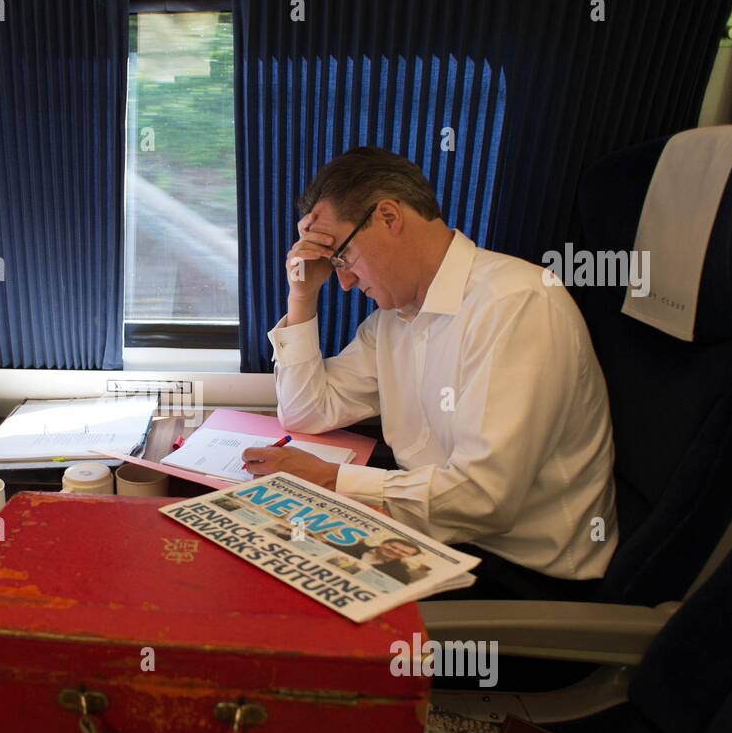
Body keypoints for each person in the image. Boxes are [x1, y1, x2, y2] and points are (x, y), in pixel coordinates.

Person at [241, 147, 618, 600]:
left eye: (341, 256)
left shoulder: (517, 304)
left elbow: (484, 499)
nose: (343, 281)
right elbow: (305, 412)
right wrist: (302, 295)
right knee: (264, 556)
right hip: (436, 535)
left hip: (519, 572)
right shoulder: (393, 320)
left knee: (290, 603)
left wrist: (331, 480)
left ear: (387, 217)